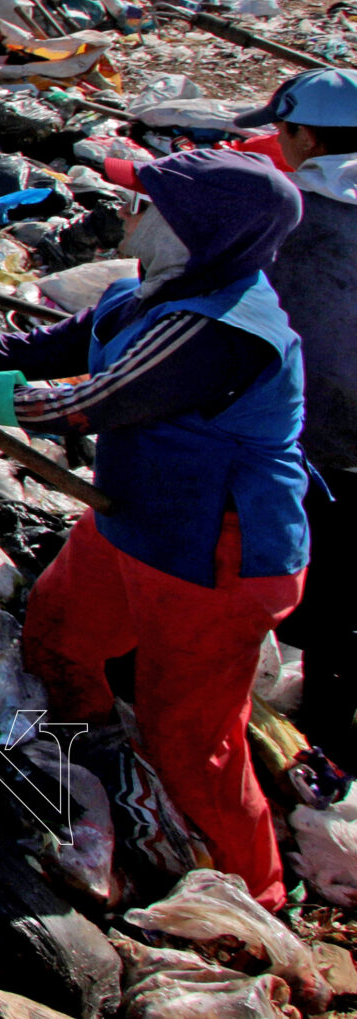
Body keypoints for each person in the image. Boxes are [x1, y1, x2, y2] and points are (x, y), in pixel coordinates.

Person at [0, 149, 307, 908]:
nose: (128, 213)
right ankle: (94, 758)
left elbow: (90, 400)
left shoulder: (224, 329)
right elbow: (45, 348)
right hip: (131, 523)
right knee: (59, 630)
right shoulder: (151, 295)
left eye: (148, 204)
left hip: (217, 558)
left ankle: (257, 894)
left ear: (197, 231)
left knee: (192, 737)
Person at [231, 71, 357, 769]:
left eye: (282, 130)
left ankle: (313, 749)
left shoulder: (293, 219)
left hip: (318, 445)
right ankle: (336, 727)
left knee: (303, 587)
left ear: (304, 135)